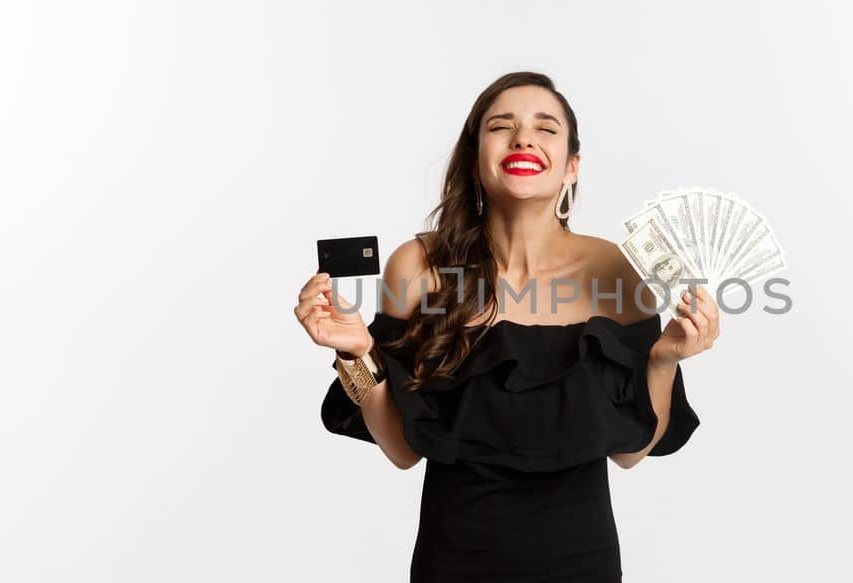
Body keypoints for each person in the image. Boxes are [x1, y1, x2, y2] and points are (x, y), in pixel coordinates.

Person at [293, 71, 718, 582]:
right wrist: (355, 351)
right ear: (476, 158)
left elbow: (630, 452)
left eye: (546, 128)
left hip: (582, 563)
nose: (523, 138)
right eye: (501, 126)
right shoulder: (418, 266)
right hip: (454, 562)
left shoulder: (617, 270)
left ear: (571, 167)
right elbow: (403, 450)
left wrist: (663, 359)